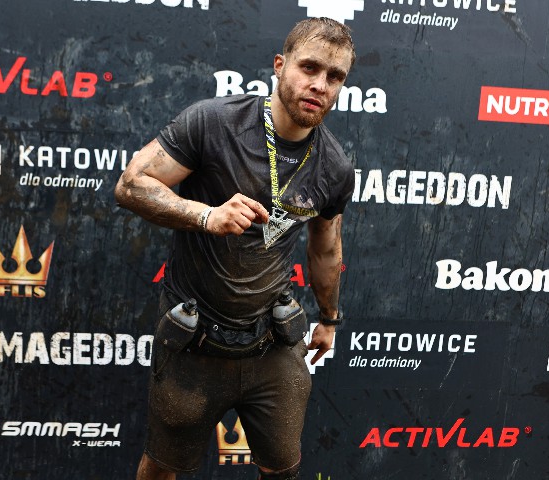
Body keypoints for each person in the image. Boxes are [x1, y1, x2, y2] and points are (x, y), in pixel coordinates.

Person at [115, 16, 356, 480]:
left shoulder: (335, 167)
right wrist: (207, 216)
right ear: (280, 65)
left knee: (282, 470)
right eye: (309, 68)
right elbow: (131, 185)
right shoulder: (213, 122)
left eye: (335, 76)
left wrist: (328, 319)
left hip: (273, 343)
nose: (320, 85)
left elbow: (326, 250)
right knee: (163, 468)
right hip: (195, 341)